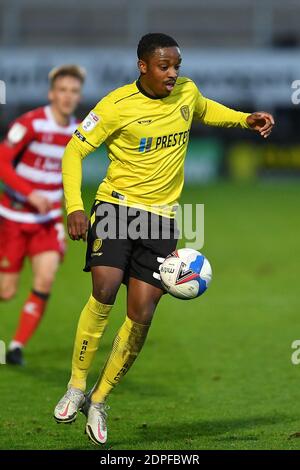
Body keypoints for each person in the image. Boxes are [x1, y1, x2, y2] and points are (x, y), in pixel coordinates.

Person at [54, 33, 274, 445]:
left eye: (177, 65)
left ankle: (99, 401)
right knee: (103, 289)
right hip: (116, 207)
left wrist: (245, 118)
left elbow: (208, 110)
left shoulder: (187, 92)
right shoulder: (115, 105)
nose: (173, 74)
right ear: (143, 67)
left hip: (161, 220)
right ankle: (76, 385)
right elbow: (73, 151)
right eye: (164, 66)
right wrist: (74, 206)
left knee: (141, 314)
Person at [0, 65, 85, 365]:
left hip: (47, 224)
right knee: (6, 292)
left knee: (45, 278)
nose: (67, 96)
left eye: (73, 91)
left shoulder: (78, 133)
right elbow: (2, 162)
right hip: (13, 217)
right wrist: (29, 192)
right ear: (52, 93)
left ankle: (15, 347)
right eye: (62, 90)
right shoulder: (30, 124)